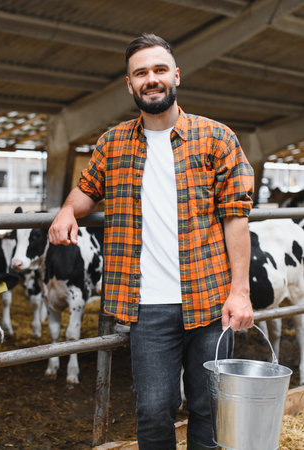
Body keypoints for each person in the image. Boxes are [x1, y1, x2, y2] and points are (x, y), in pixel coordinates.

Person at [49, 33, 254, 450]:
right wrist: (68, 210)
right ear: (130, 84)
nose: (151, 79)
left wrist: (240, 291)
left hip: (212, 299)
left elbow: (236, 219)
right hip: (148, 306)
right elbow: (86, 191)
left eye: (159, 70)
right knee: (154, 410)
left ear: (176, 75)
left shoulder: (217, 138)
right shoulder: (113, 143)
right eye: (141, 73)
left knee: (207, 408)